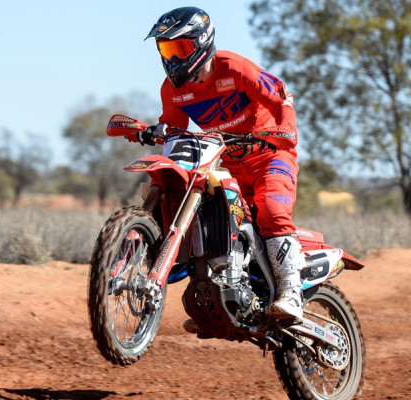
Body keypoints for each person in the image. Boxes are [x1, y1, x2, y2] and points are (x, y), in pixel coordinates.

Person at [127, 6, 304, 324]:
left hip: (269, 155)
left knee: (272, 209)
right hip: (227, 163)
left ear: (202, 42)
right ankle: (215, 290)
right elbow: (175, 129)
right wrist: (152, 131)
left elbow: (281, 96)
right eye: (166, 48)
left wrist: (285, 129)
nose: (173, 58)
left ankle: (291, 292)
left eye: (180, 47)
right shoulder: (173, 90)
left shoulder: (233, 67)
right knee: (208, 211)